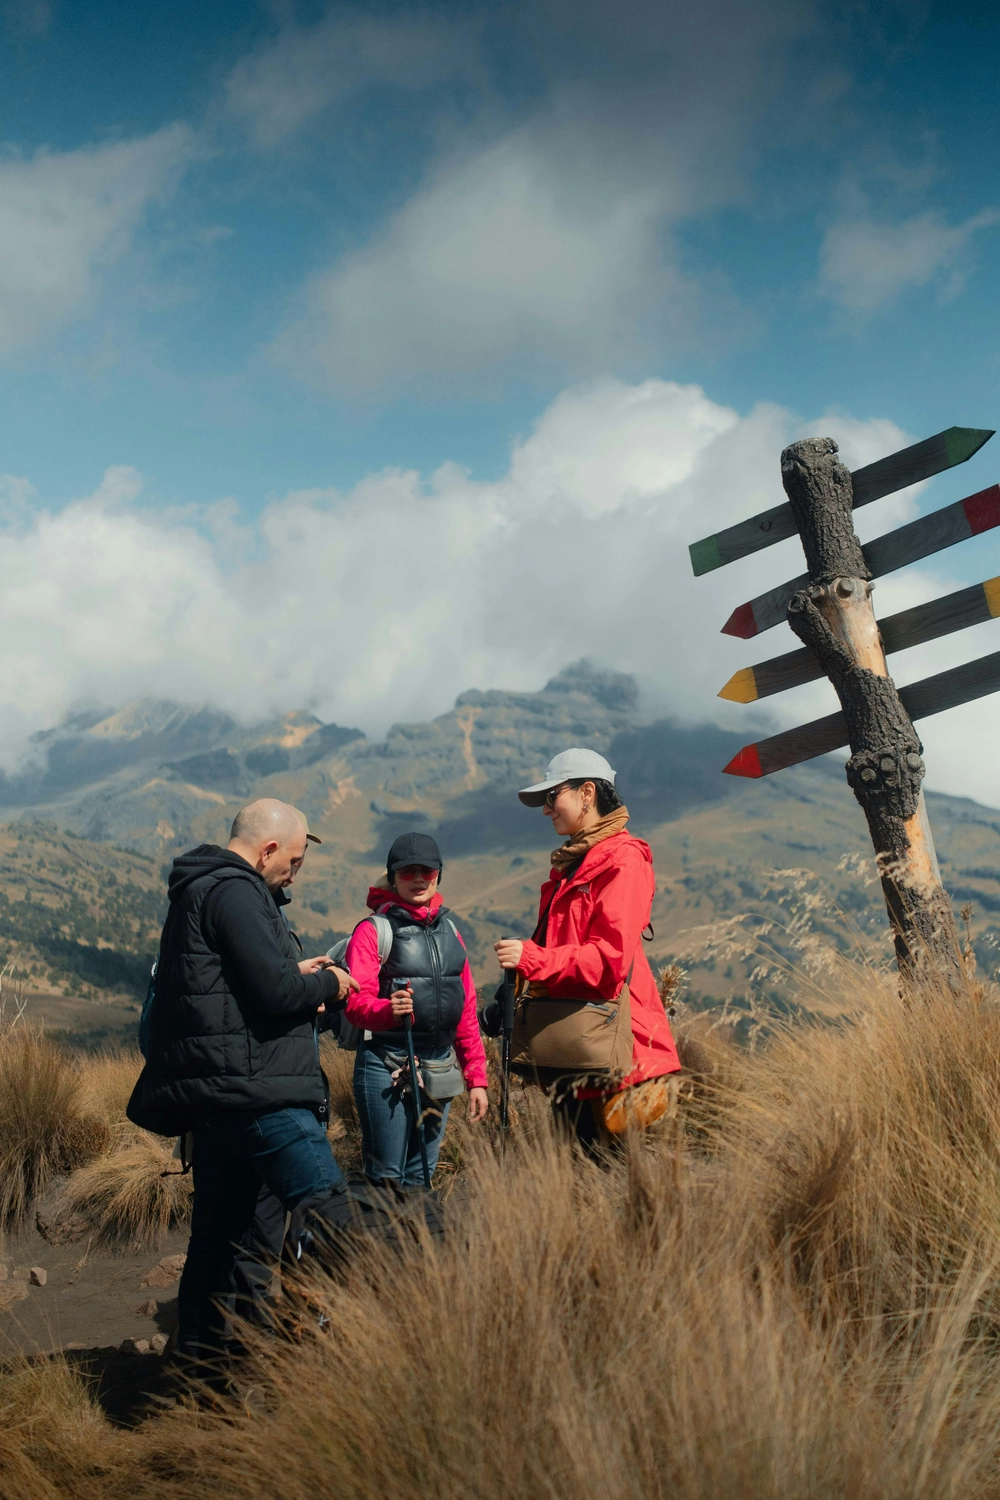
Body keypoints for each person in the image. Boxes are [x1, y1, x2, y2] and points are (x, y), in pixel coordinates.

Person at [137, 798, 358, 1373]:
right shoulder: (237, 891)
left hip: (216, 1101)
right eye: (293, 860)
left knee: (220, 1241)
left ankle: (209, 1380)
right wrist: (330, 984)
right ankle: (344, 1355)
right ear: (265, 850)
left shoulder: (201, 888)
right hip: (260, 1096)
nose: (294, 872)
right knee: (329, 1210)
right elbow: (275, 995)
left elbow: (241, 985)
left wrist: (292, 972)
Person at [492, 748, 680, 1152]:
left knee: (615, 1185)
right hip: (579, 1050)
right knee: (580, 1181)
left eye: (551, 796)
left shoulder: (622, 862)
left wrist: (532, 958)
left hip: (620, 1056)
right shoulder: (576, 864)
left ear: (587, 792)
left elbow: (608, 962)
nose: (545, 810)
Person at [343, 832, 488, 1188]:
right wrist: (387, 1011)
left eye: (427, 869)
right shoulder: (373, 930)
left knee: (421, 1176)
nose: (419, 878)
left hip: (440, 1068)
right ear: (392, 877)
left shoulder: (451, 930)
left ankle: (414, 1244)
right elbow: (354, 1002)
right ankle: (379, 1245)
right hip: (386, 1066)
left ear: (439, 873)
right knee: (386, 1179)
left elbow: (466, 1010)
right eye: (408, 872)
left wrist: (477, 1078)